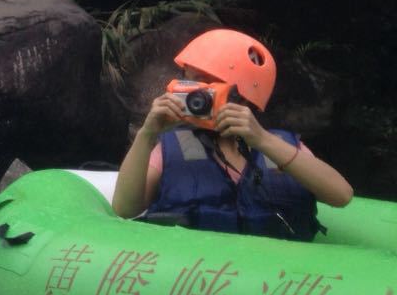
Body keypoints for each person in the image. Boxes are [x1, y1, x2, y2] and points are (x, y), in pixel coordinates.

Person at [111, 28, 352, 240]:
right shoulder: (173, 146)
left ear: (243, 94)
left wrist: (262, 140)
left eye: (205, 83)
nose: (191, 91)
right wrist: (147, 133)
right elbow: (125, 209)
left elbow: (341, 196)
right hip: (196, 270)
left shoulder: (278, 145)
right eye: (189, 80)